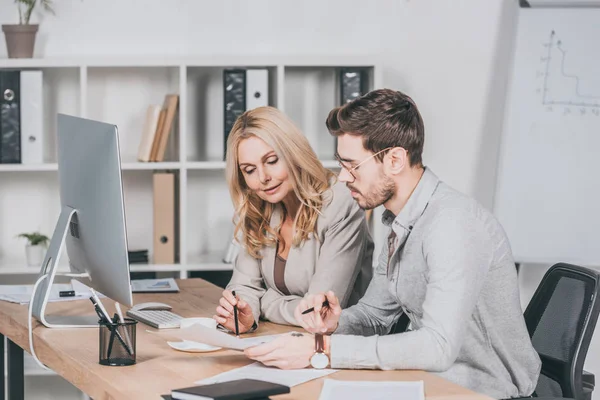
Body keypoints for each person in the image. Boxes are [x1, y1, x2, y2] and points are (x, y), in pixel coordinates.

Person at [244, 89, 541, 400]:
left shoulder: (453, 225)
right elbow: (375, 315)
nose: (343, 177)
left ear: (395, 159)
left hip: (489, 389)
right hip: (433, 379)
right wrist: (335, 323)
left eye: (352, 165)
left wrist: (322, 349)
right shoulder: (398, 223)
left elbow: (437, 347)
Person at [213, 106, 374, 334]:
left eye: (271, 161)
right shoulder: (258, 209)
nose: (263, 178)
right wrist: (244, 313)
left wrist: (265, 302)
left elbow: (319, 311)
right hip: (286, 338)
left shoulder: (341, 203)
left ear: (293, 152)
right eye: (249, 170)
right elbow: (243, 286)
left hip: (340, 348)